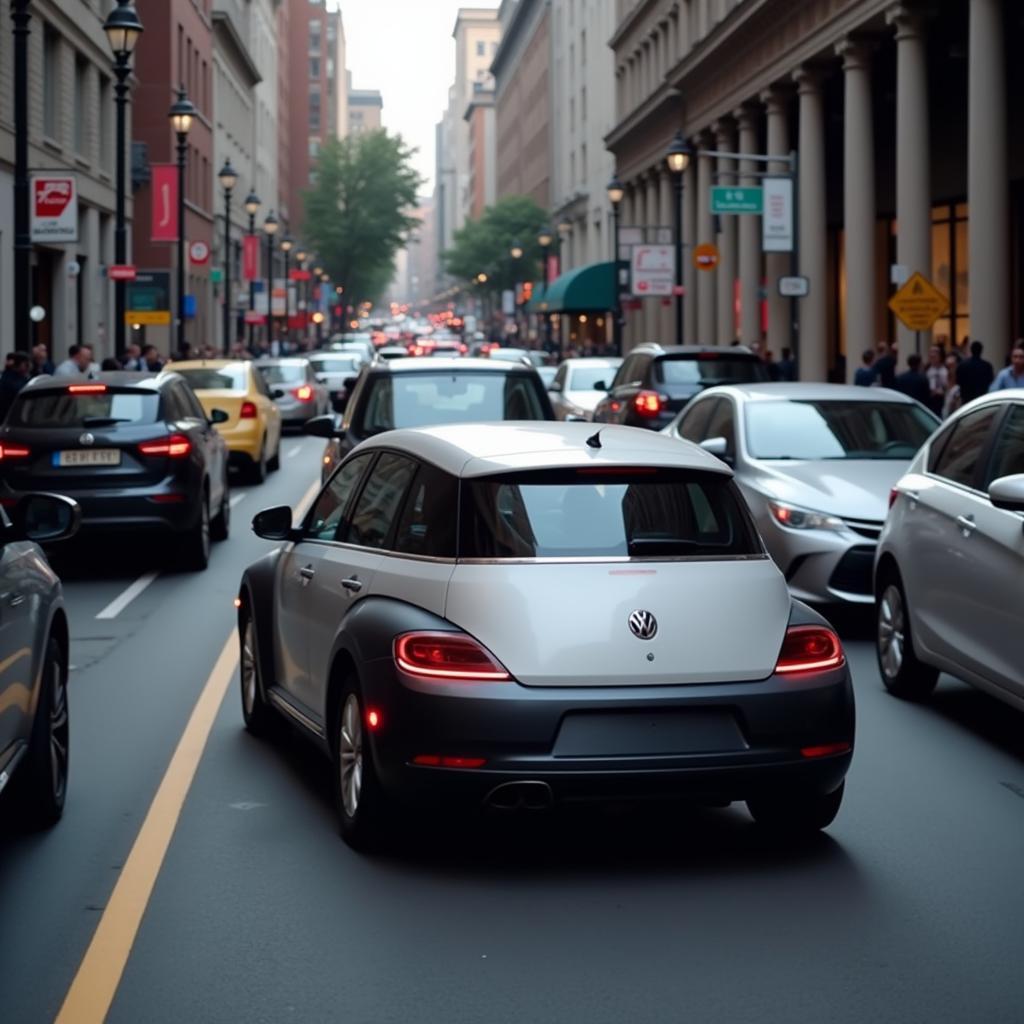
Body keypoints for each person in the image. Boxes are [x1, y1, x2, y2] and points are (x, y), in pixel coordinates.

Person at [0, 351, 31, 421]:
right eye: (27, 364)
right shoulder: (15, 381)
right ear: (22, 364)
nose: (28, 368)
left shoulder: (6, 376)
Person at [924, 345, 948, 415]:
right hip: (929, 402)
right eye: (931, 352)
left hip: (941, 401)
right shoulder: (926, 369)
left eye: (935, 352)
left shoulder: (946, 370)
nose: (932, 355)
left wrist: (941, 391)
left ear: (941, 355)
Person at [942, 353, 962, 419]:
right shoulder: (945, 380)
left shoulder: (958, 387)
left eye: (952, 366)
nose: (949, 370)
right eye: (947, 367)